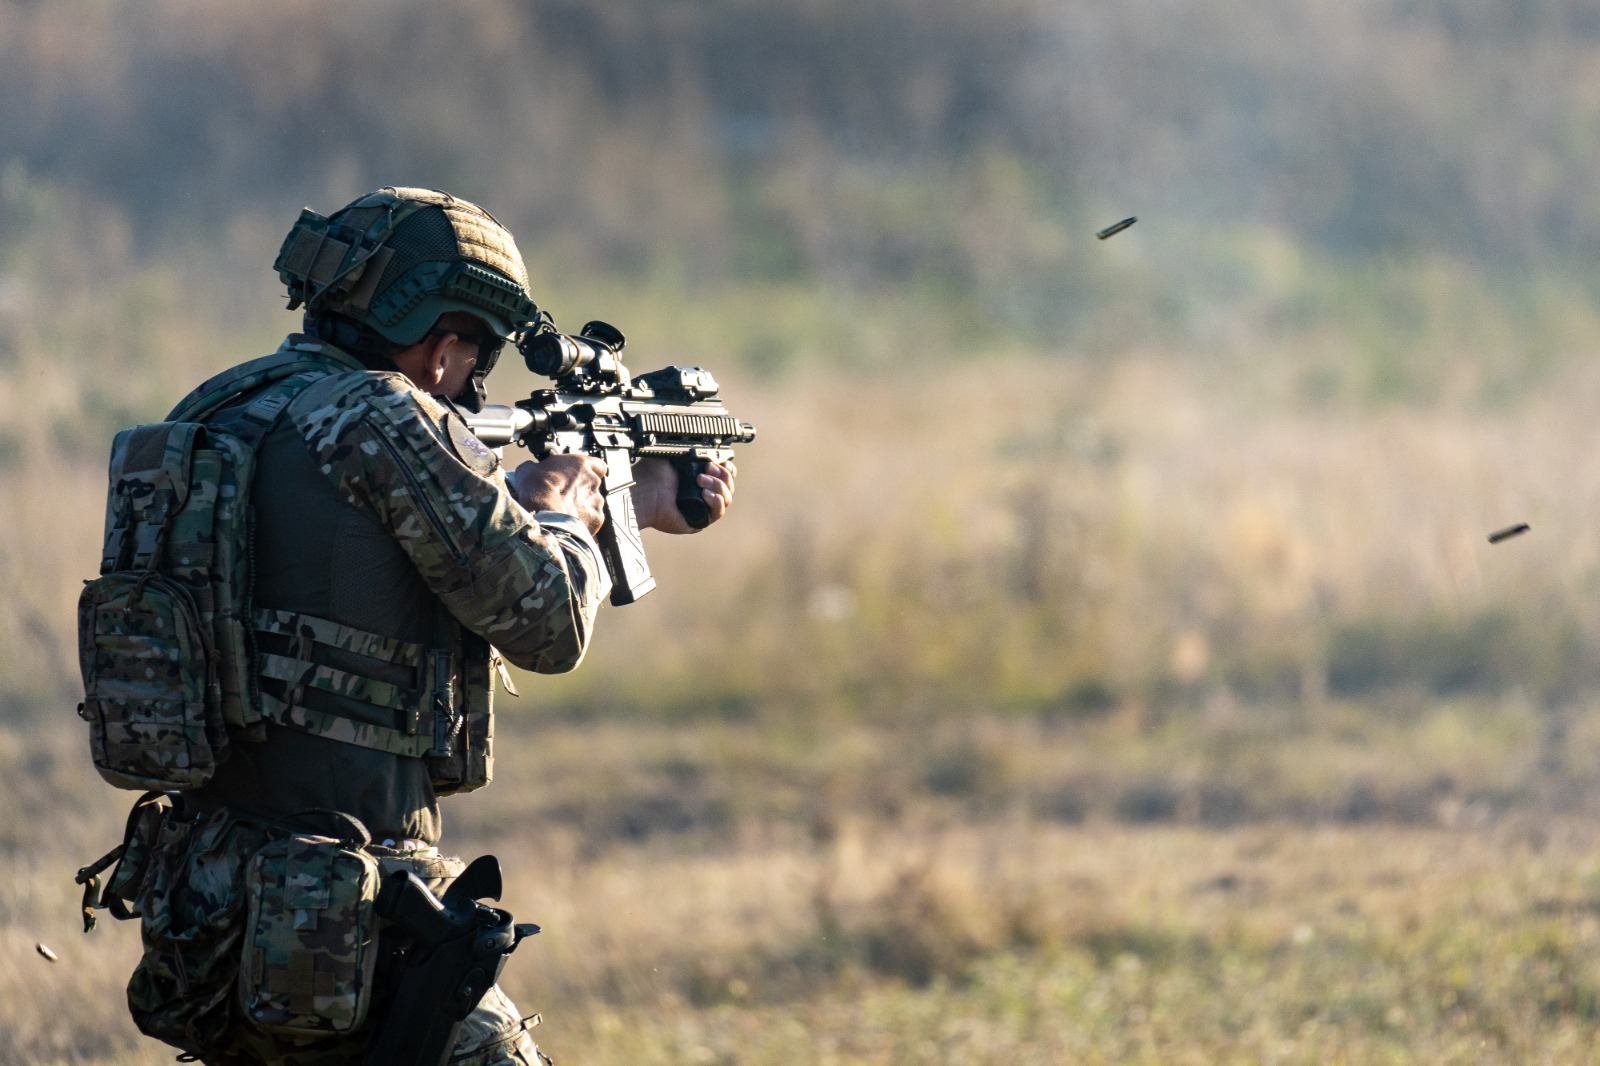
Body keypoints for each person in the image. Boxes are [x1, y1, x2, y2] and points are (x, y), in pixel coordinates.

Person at [116, 187, 736, 1065]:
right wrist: (564, 516)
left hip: (207, 900)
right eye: (476, 356)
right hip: (343, 912)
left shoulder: (220, 409)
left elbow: (345, 567)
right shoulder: (383, 416)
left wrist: (631, 500)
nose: (472, 382)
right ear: (443, 347)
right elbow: (550, 625)